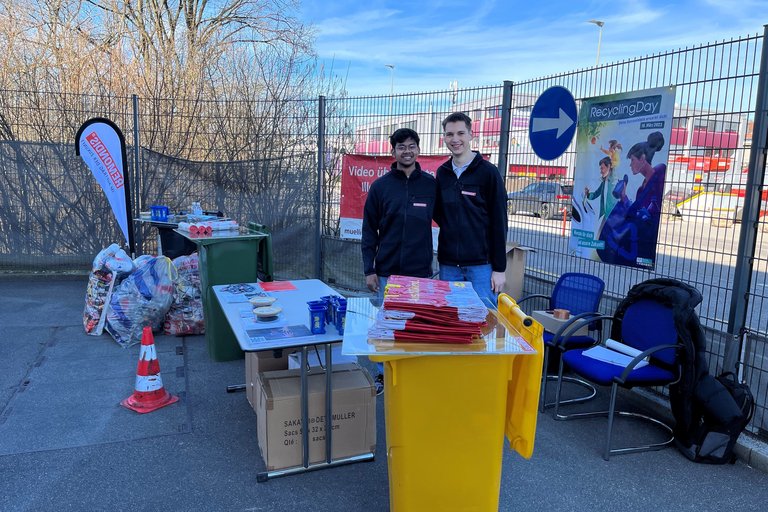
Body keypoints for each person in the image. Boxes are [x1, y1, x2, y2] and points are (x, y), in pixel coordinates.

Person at [361, 127, 436, 394]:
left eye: (412, 146)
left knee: (417, 325)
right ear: (392, 152)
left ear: (418, 149)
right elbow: (369, 230)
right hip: (388, 272)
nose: (407, 151)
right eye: (401, 146)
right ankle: (383, 374)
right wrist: (369, 269)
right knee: (388, 326)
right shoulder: (381, 187)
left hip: (420, 272)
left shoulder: (430, 185)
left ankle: (414, 374)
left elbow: (449, 223)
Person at [434, 112, 507, 305]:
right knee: (451, 323)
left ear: (470, 135)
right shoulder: (442, 174)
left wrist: (499, 268)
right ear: (444, 138)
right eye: (450, 134)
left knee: (485, 323)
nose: (455, 139)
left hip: (481, 267)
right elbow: (441, 214)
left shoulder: (488, 173)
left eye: (460, 133)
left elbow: (499, 222)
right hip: (449, 265)